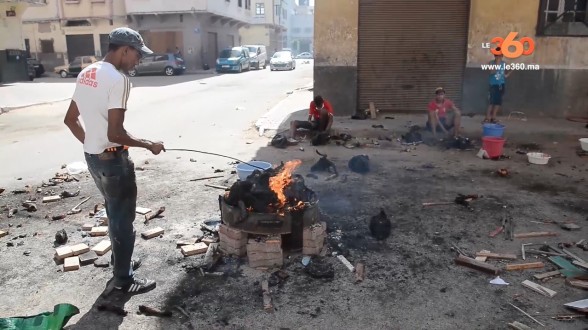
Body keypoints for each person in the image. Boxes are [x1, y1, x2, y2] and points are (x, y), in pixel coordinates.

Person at [63, 27, 165, 295]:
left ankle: (120, 262)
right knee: (122, 219)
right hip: (113, 162)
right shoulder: (119, 80)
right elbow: (116, 133)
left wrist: (92, 145)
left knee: (113, 213)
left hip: (93, 158)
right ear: (124, 50)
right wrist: (149, 145)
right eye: (137, 55)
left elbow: (69, 119)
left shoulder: (87, 72)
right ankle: (123, 279)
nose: (139, 60)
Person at [484, 47, 512, 123]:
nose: (498, 57)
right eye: (497, 56)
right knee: (491, 102)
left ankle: (493, 117)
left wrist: (509, 72)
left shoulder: (504, 64)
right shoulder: (491, 63)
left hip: (501, 85)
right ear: (495, 56)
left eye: (500, 56)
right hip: (493, 85)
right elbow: (491, 72)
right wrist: (497, 64)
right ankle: (487, 117)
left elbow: (504, 75)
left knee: (498, 102)